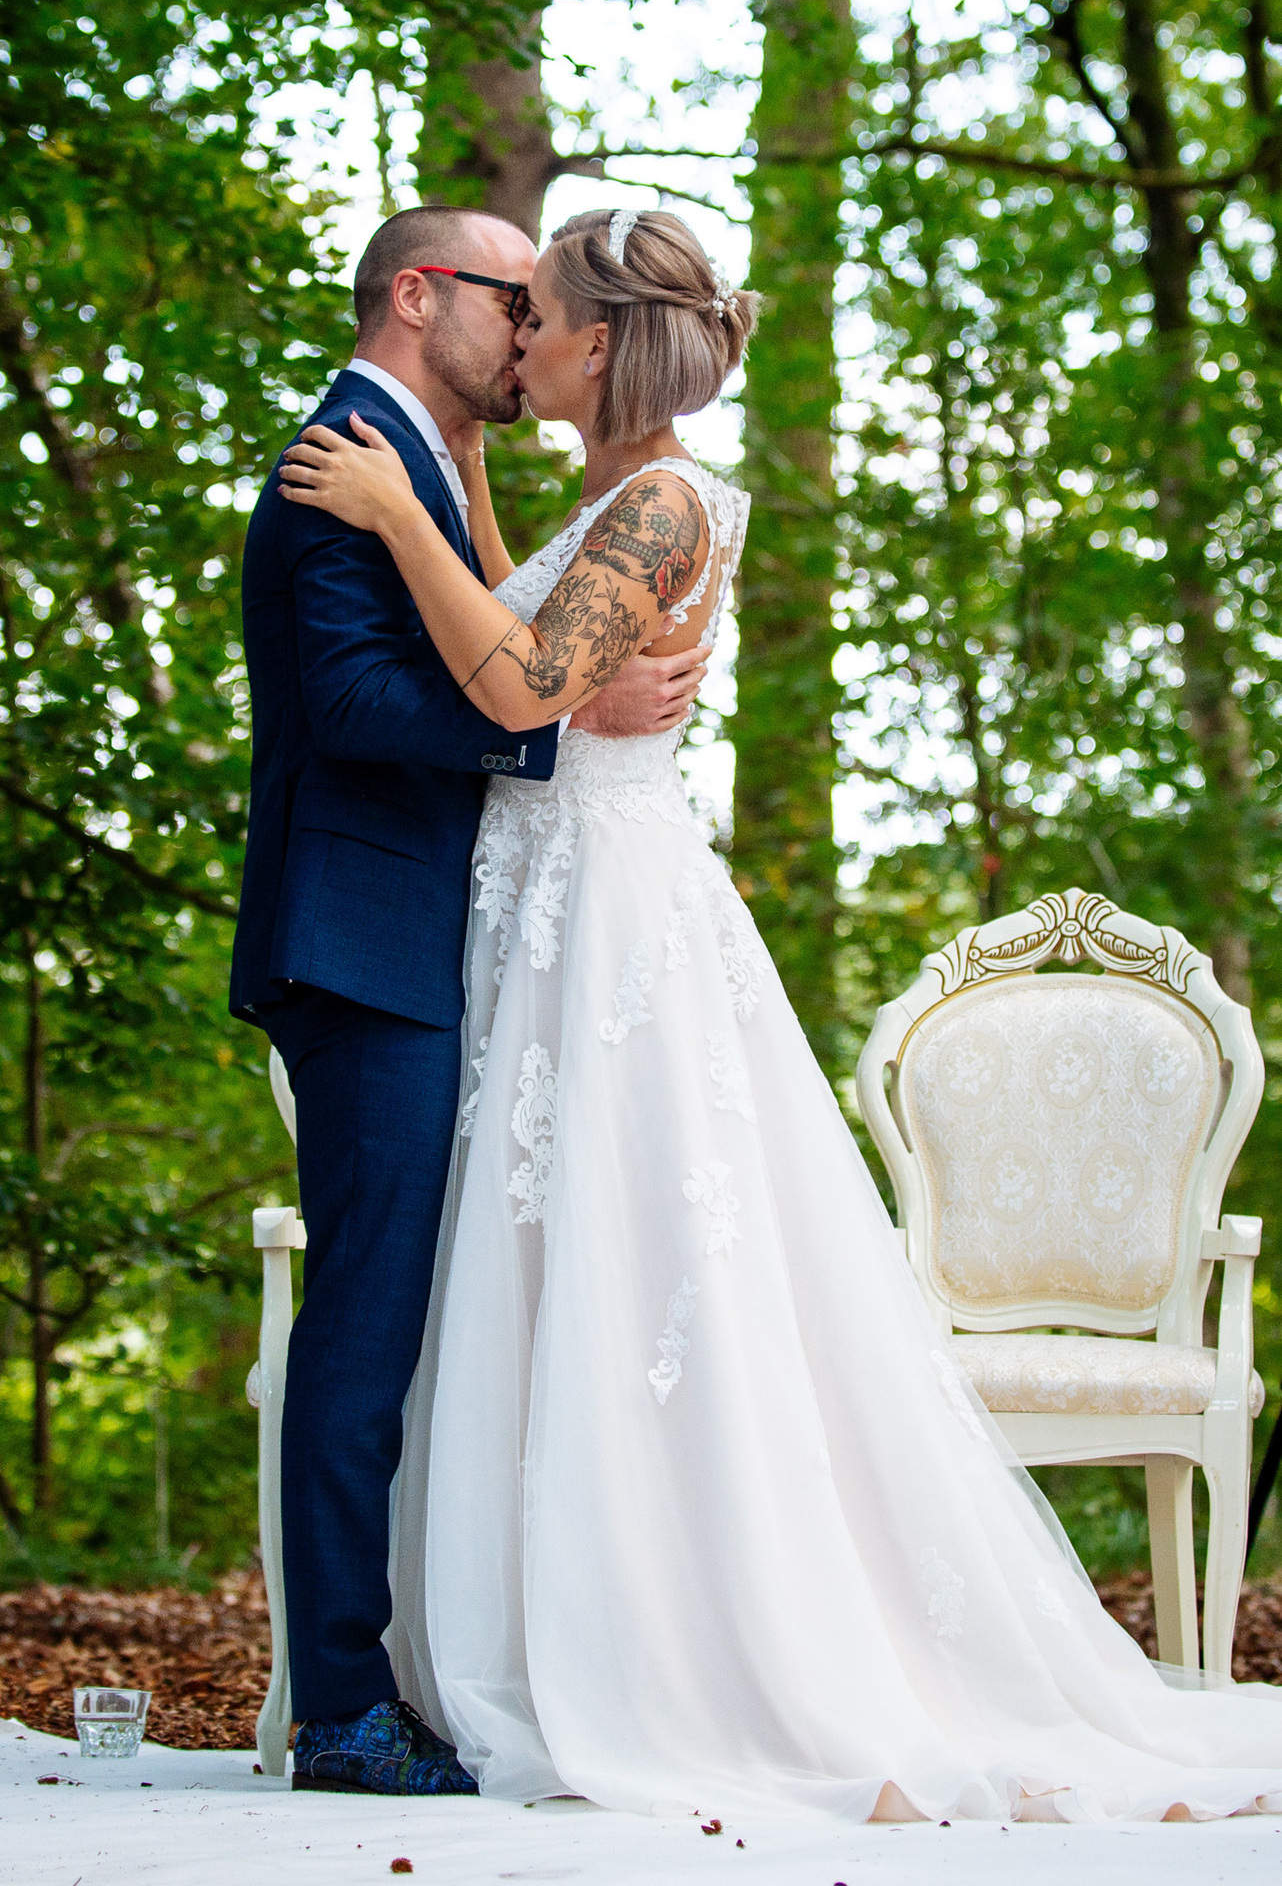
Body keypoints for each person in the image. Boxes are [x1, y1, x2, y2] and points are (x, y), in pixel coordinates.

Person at [277, 206, 1282, 1824]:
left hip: (611, 924)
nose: (517, 338)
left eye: (535, 315)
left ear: (595, 343)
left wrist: (400, 510)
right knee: (541, 1274)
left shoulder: (669, 500)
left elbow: (521, 688)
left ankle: (683, 1653)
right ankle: (504, 1626)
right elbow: (519, 636)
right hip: (528, 918)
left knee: (639, 1263)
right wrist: (446, 484)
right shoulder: (597, 489)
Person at [230, 204, 710, 1797]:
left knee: (444, 1314)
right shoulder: (338, 459)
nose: (528, 332)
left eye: (546, 310)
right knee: (365, 1320)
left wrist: (559, 686)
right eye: (512, 300)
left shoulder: (430, 460)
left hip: (459, 933)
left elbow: (505, 622)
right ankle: (344, 1713)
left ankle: (476, 1661)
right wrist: (560, 729)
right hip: (360, 938)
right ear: (421, 295)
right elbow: (364, 702)